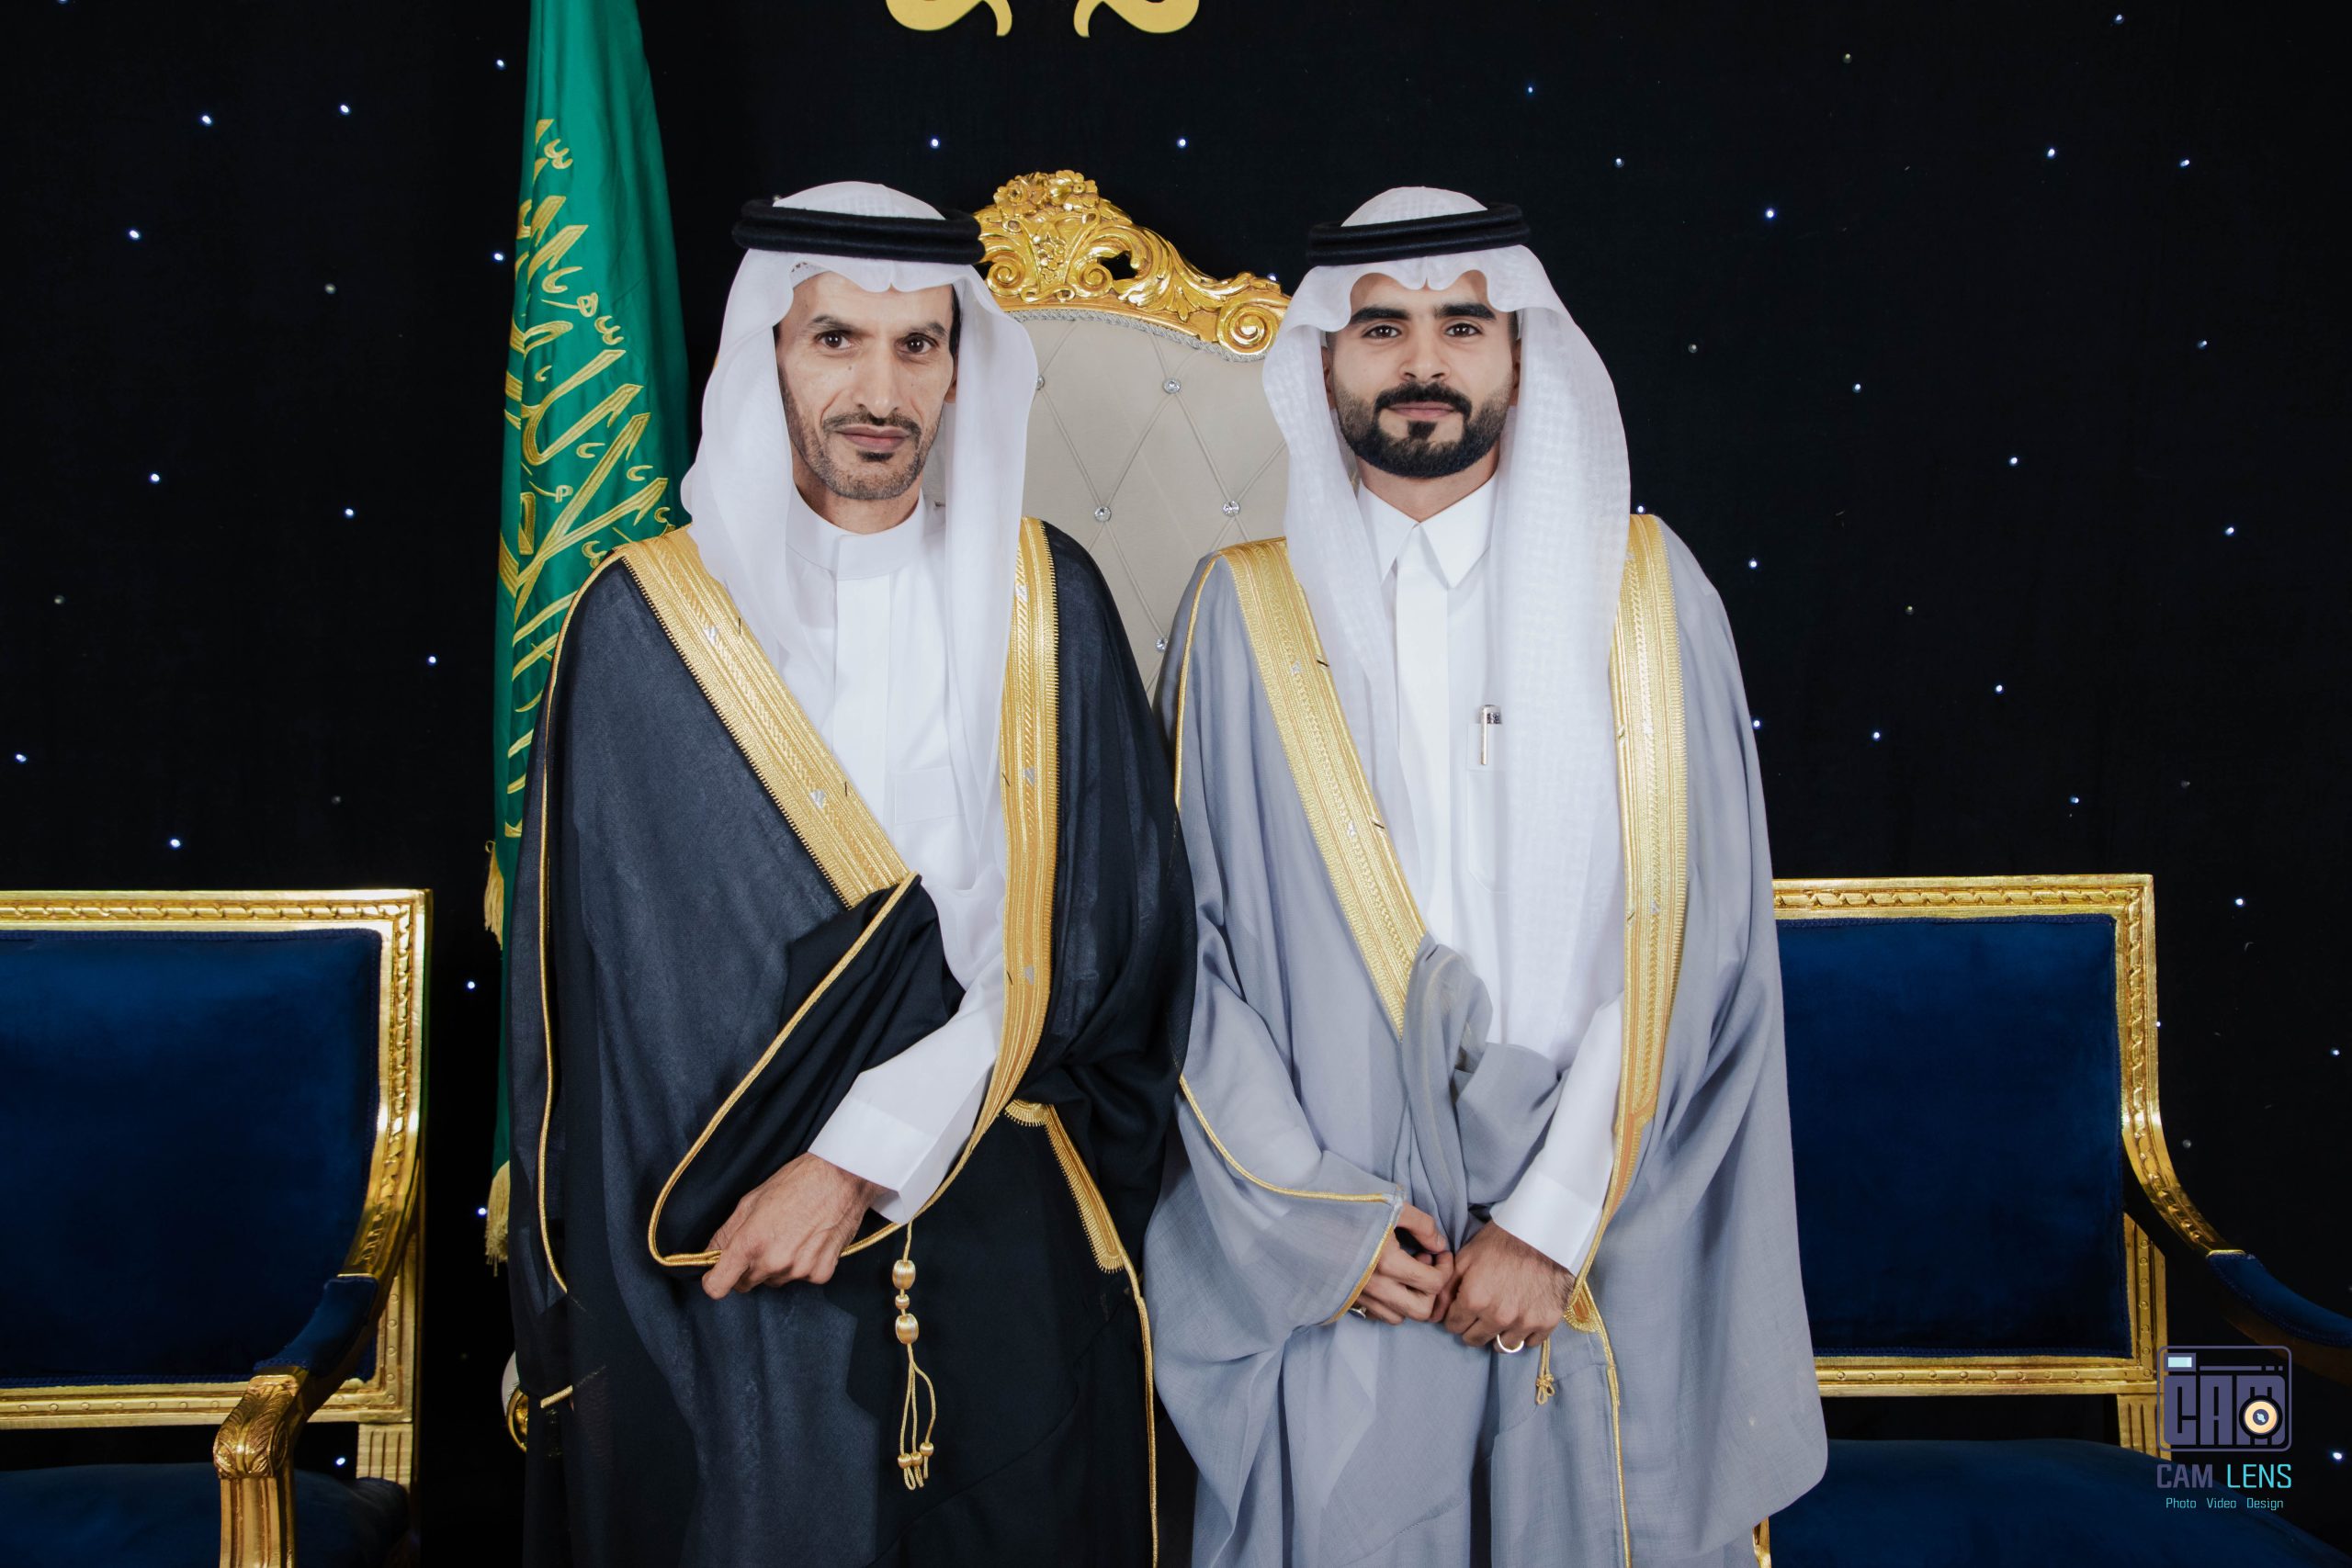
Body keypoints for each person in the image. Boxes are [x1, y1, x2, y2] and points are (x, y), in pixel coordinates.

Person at [505, 182, 1191, 1567]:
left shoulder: (1047, 603)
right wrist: (778, 1180)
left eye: (917, 346)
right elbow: (608, 1006)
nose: (880, 393)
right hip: (710, 1205)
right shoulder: (647, 621)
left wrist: (856, 1161)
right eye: (837, 341)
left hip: (993, 1154)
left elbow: (1093, 951)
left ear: (960, 369)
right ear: (769, 350)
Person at [1147, 187, 1826, 1567]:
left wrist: (1553, 1219)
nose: (1423, 360)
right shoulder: (1239, 615)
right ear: (1324, 360)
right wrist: (1318, 1225)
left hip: (1597, 1233)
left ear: (1520, 353)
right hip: (1360, 1256)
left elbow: (1695, 941)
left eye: (1463, 325)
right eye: (1381, 328)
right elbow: (1185, 960)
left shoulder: (1648, 595)